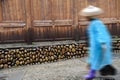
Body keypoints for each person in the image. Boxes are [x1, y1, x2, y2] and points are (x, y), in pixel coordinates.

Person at [80, 5, 112, 79]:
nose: (86, 18)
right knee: (94, 58)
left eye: (87, 16)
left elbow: (101, 32)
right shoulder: (92, 23)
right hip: (95, 44)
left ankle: (92, 74)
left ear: (89, 16)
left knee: (96, 58)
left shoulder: (96, 23)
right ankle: (94, 72)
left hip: (98, 44)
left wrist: (102, 42)